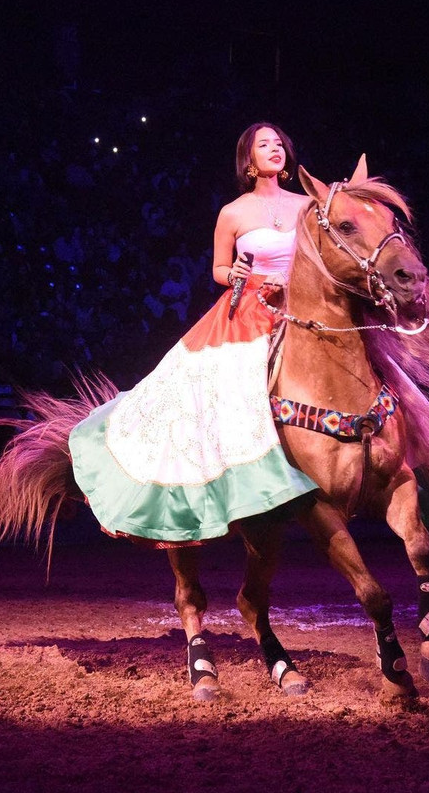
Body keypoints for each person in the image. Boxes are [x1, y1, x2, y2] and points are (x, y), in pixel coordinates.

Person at [67, 122, 316, 547]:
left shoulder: (308, 205)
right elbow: (219, 269)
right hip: (251, 311)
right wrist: (235, 272)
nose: (275, 149)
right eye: (264, 144)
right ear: (248, 160)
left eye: (279, 143)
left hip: (305, 305)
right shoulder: (233, 213)